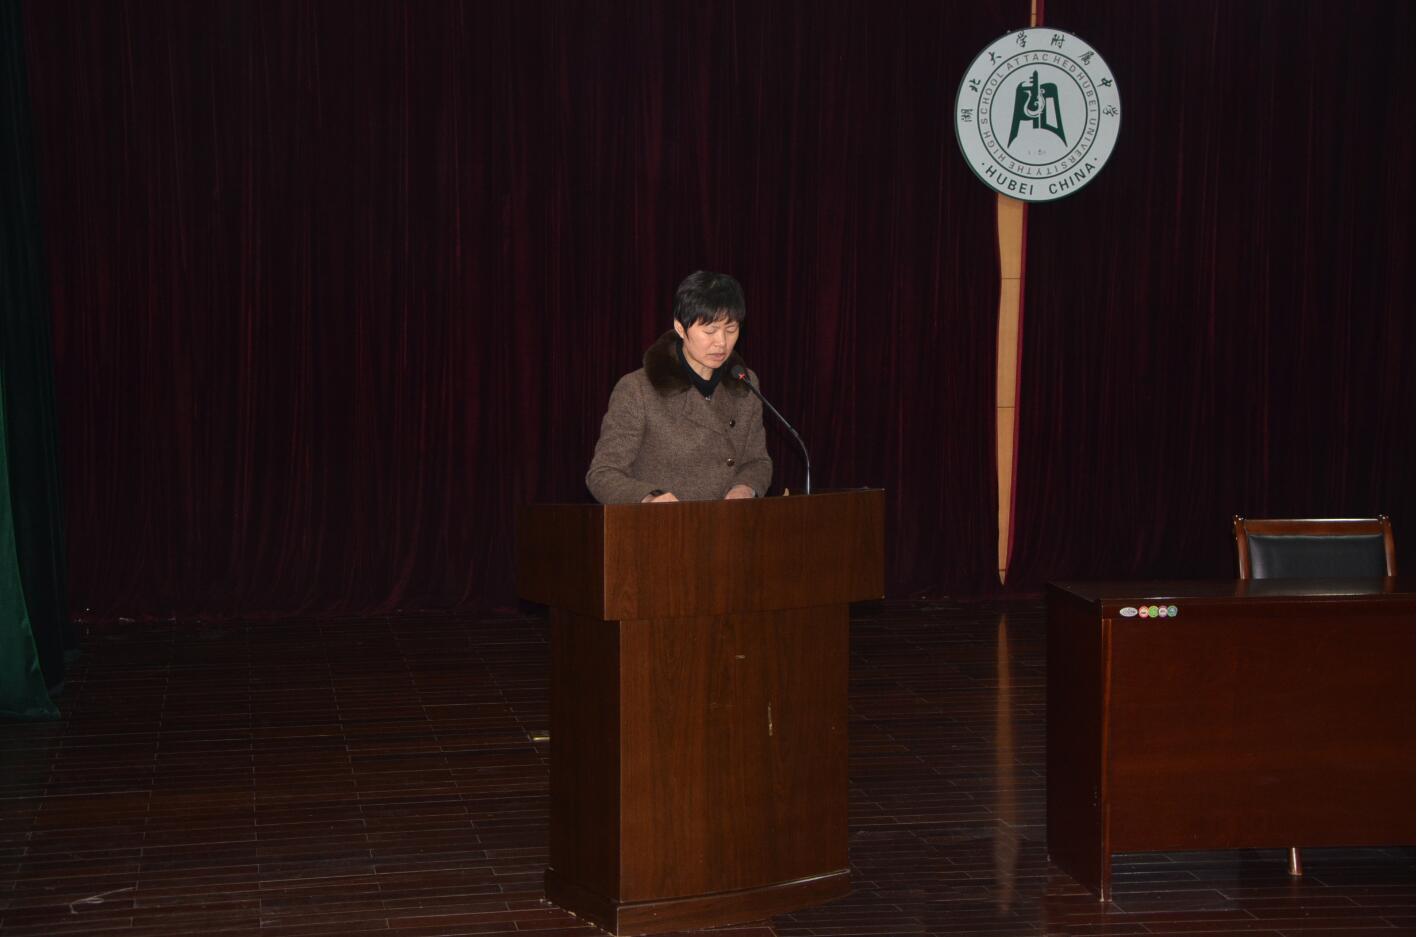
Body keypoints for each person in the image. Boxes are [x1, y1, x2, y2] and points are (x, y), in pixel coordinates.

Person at [586, 271, 772, 504]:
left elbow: (757, 462)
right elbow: (603, 474)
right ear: (680, 328)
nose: (721, 342)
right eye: (710, 331)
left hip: (727, 522)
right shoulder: (638, 389)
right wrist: (649, 499)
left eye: (731, 329)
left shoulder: (745, 383)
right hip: (665, 523)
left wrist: (745, 488)